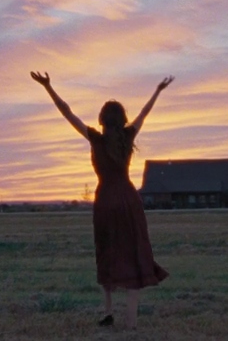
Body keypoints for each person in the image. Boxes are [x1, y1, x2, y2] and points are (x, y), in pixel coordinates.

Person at [31, 71, 173, 329]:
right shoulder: (128, 137)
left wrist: (48, 87)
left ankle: (108, 311)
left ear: (102, 119)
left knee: (106, 252)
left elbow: (67, 112)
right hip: (129, 200)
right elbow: (144, 113)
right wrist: (158, 91)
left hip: (106, 200)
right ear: (122, 119)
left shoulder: (95, 138)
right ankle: (131, 321)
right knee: (134, 253)